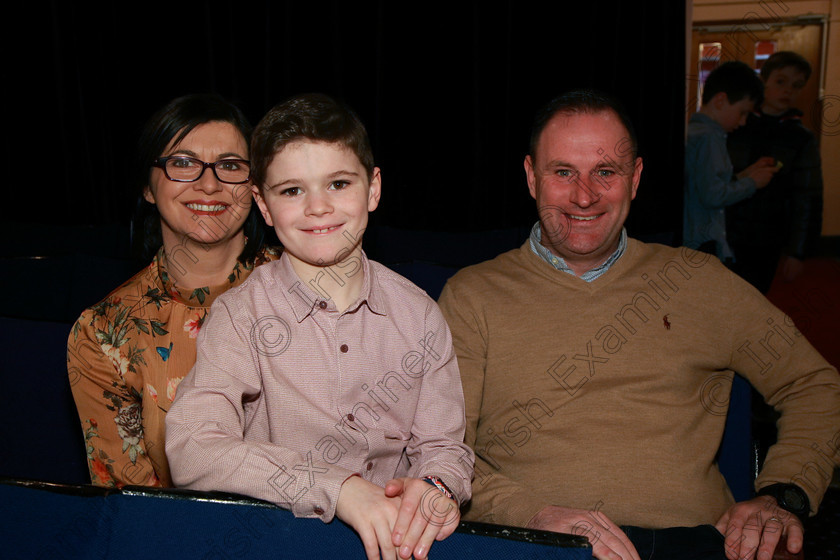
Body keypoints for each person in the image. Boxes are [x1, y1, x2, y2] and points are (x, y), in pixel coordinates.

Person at [437, 89, 840, 560]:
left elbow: (813, 383)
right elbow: (442, 451)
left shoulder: (700, 280)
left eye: (605, 172)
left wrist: (783, 493)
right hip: (539, 545)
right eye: (563, 172)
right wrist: (531, 515)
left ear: (635, 178)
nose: (584, 196)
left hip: (696, 542)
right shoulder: (472, 297)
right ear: (531, 177)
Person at [165, 93, 473, 560]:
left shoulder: (420, 314)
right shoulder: (240, 316)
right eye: (292, 190)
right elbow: (193, 449)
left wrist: (435, 487)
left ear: (373, 188)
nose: (318, 208)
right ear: (263, 207)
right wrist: (339, 487)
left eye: (338, 184)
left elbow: (444, 446)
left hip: (396, 545)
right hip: (273, 543)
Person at [67, 94, 279, 488]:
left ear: (254, 187)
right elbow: (131, 504)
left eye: (231, 166)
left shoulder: (308, 287)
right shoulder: (102, 333)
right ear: (148, 187)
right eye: (183, 163)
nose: (210, 184)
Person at [727, 51, 824, 293]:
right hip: (726, 230)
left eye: (796, 85)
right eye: (780, 81)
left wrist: (798, 252)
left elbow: (808, 195)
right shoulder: (737, 124)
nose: (787, 90)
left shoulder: (800, 138)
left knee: (754, 301)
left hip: (767, 238)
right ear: (765, 81)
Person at [684, 61, 778, 260]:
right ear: (720, 101)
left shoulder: (699, 133)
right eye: (742, 112)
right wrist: (752, 183)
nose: (743, 122)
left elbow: (708, 183)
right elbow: (713, 196)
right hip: (702, 240)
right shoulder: (708, 138)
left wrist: (746, 175)